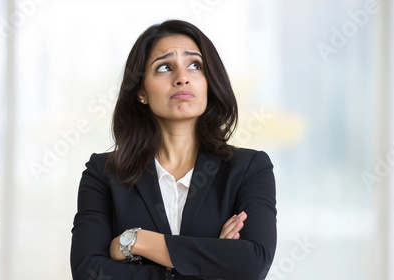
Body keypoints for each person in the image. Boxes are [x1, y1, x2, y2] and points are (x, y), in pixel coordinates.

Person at [70, 19, 277, 280]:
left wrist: (136, 240)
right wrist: (212, 262)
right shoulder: (103, 173)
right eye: (165, 67)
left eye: (194, 66)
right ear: (141, 91)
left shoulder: (249, 168)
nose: (182, 78)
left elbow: (252, 263)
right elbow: (88, 273)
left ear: (208, 82)